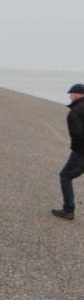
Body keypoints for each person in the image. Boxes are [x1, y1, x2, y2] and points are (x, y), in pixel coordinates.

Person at [52, 83, 84, 220]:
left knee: (65, 176)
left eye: (71, 93)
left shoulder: (76, 111)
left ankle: (68, 210)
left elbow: (77, 134)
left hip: (81, 152)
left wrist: (75, 148)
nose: (70, 96)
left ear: (77, 94)